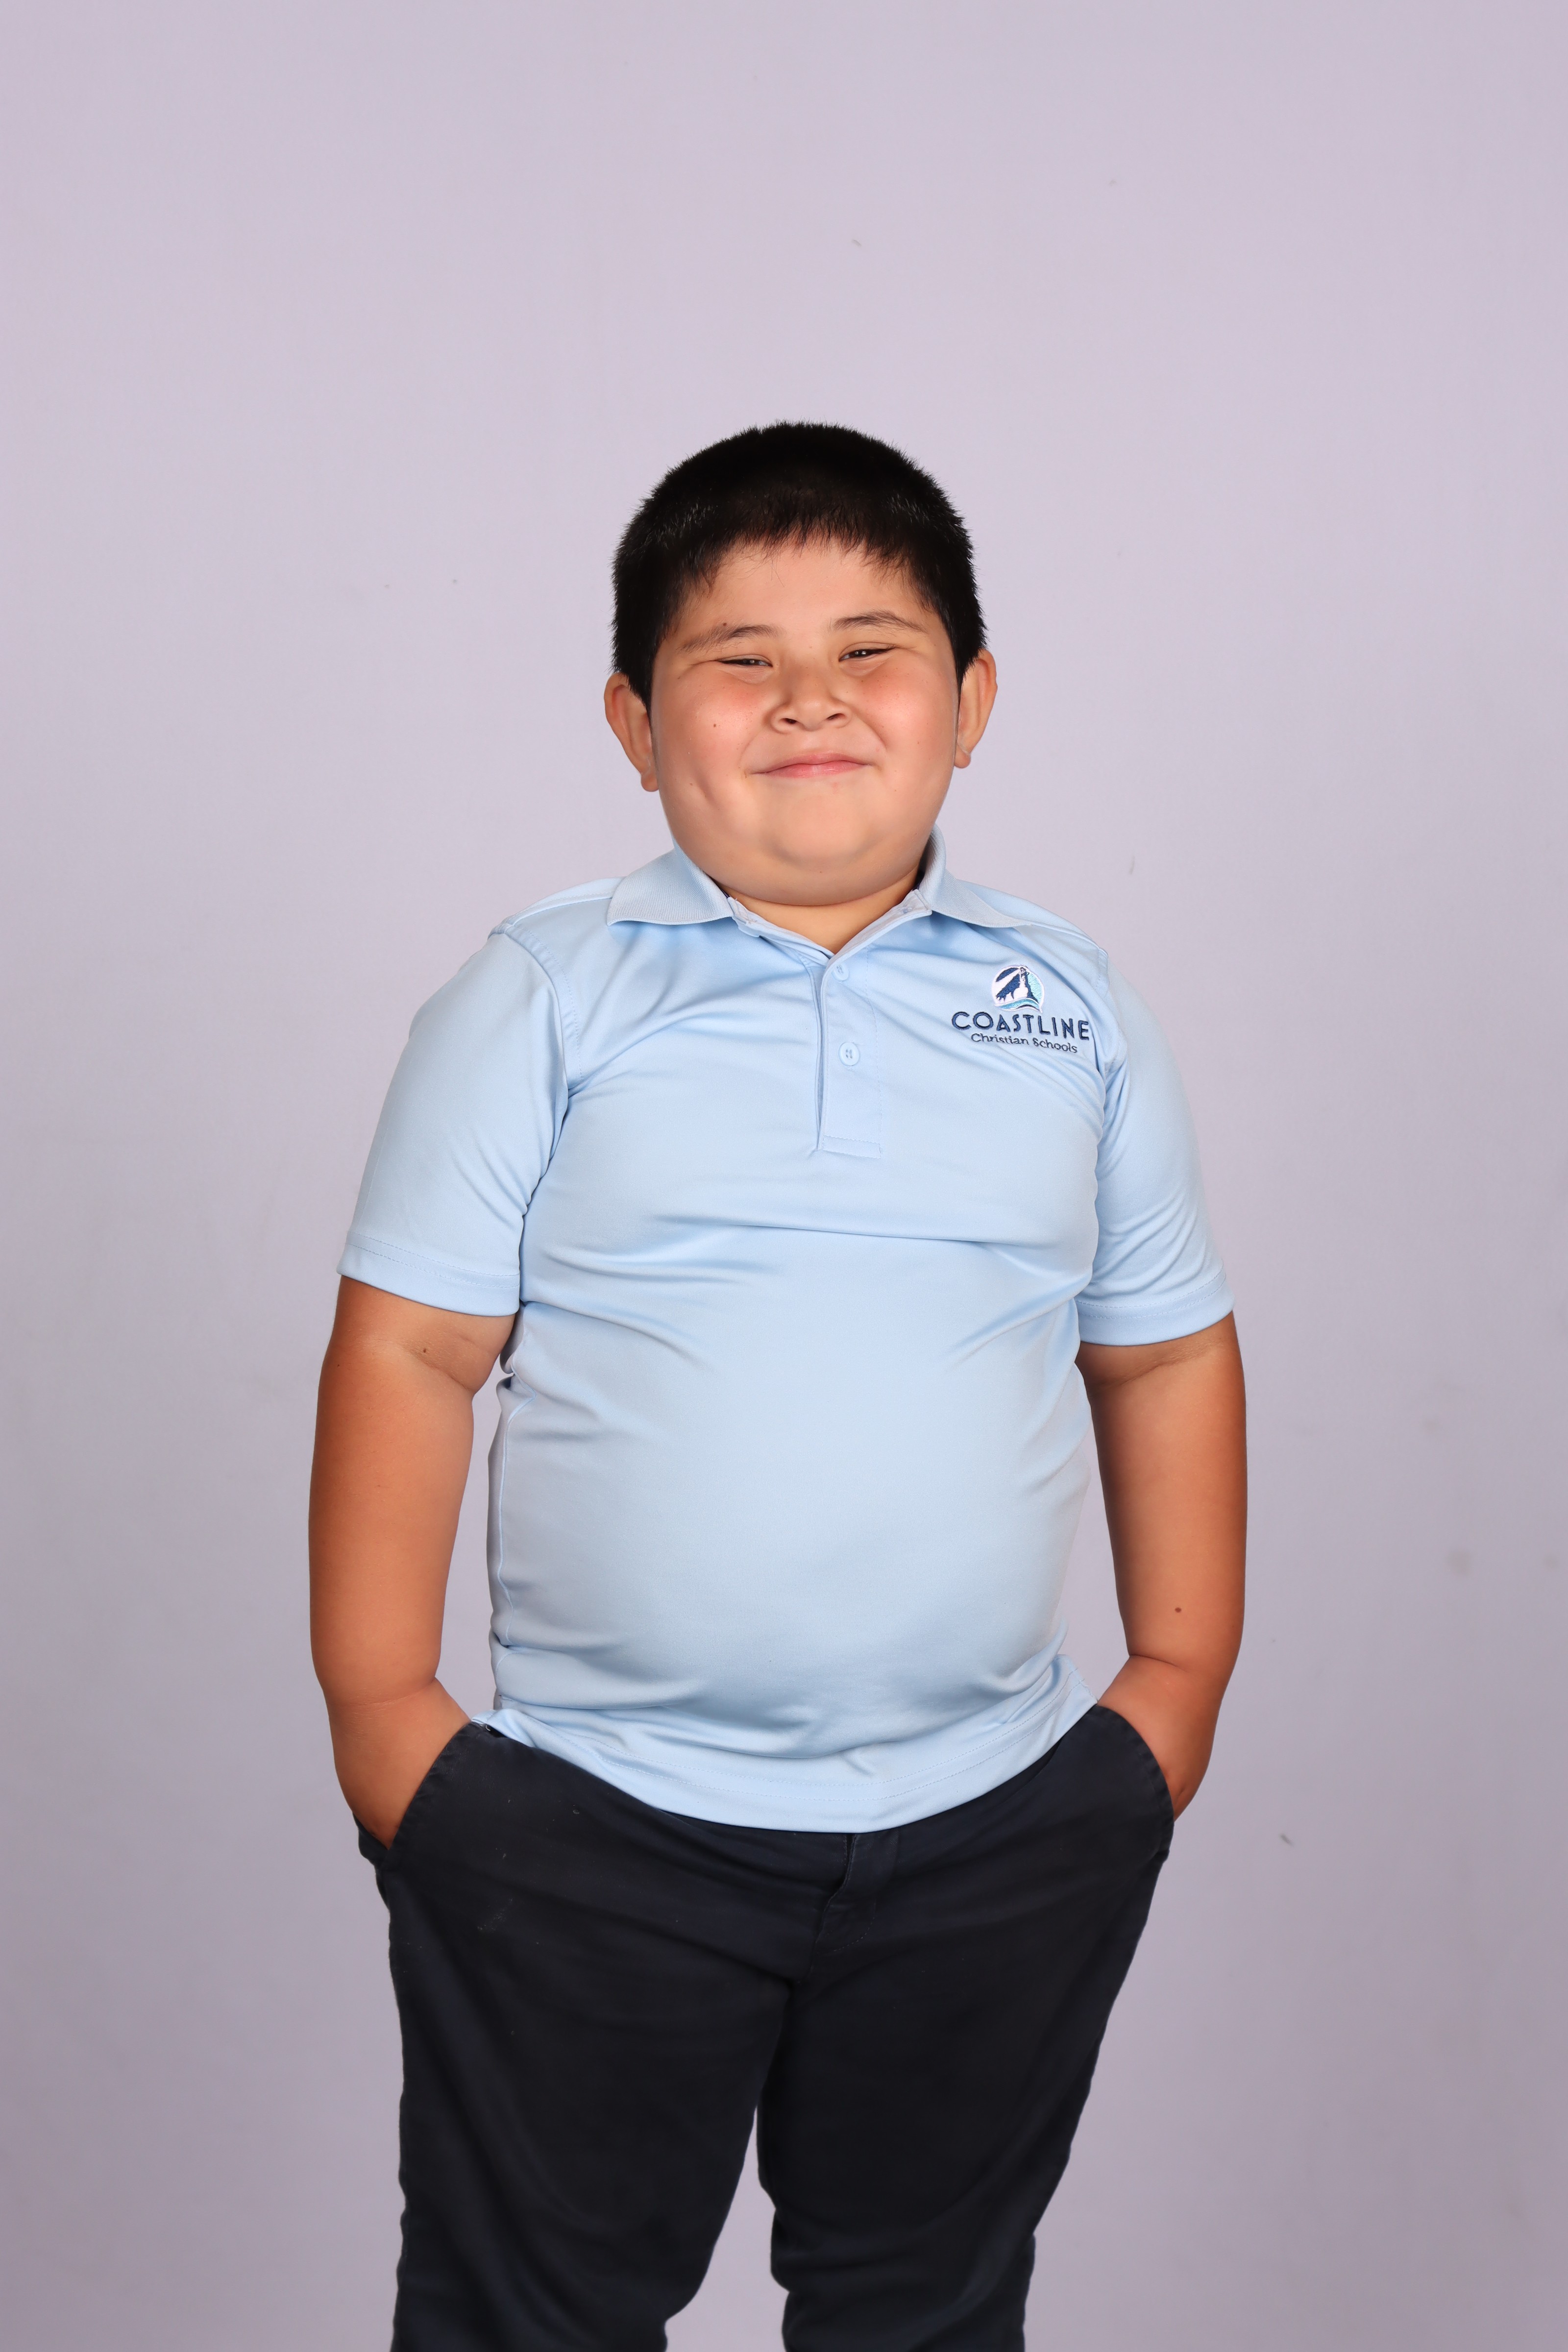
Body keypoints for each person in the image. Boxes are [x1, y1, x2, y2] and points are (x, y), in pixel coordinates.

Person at [309, 421, 1246, 2352]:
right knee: (529, 2318)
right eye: (737, 659)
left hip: (995, 1822)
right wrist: (388, 1719)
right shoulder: (543, 995)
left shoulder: (1070, 1006)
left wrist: (1173, 1689)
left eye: (869, 651)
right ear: (633, 722)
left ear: (969, 704)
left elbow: (1159, 1350)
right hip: (593, 1823)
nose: (807, 698)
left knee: (924, 2314)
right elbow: (409, 1346)